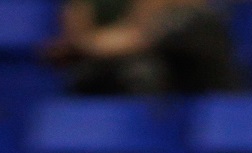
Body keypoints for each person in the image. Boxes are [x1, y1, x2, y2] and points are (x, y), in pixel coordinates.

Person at [58, 0, 237, 95]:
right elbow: (77, 32)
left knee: (143, 72)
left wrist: (92, 43)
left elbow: (145, 34)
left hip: (192, 80)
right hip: (113, 67)